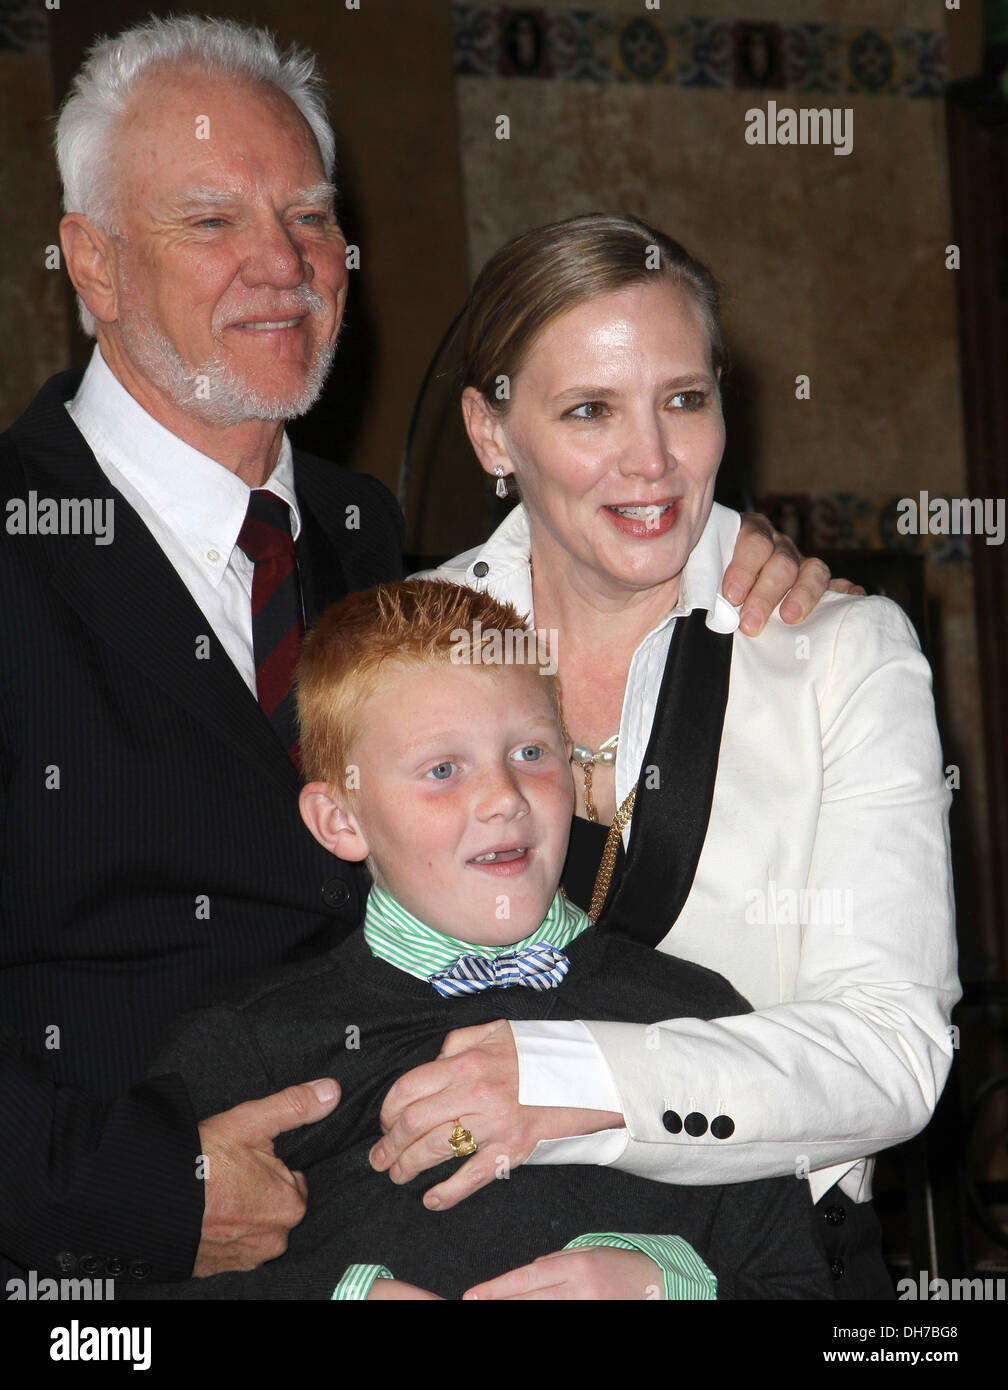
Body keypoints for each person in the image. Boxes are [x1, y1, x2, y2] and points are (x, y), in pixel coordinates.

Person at [0, 19, 835, 1294]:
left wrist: (725, 559)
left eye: (309, 214)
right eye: (213, 220)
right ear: (95, 265)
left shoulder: (363, 532)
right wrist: (130, 1194)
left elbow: (580, 569)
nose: (282, 263)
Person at [371, 214, 961, 1300]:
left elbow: (892, 1053)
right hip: (452, 1262)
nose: (652, 461)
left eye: (684, 400)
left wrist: (567, 1081)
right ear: (491, 433)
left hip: (777, 1265)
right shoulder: (394, 654)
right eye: (590, 409)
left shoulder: (838, 654)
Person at [129, 579, 834, 1300]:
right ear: (341, 820)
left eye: (532, 752)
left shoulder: (696, 1016)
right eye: (443, 770)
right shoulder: (251, 1045)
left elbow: (803, 1290)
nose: (504, 796)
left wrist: (671, 1288)